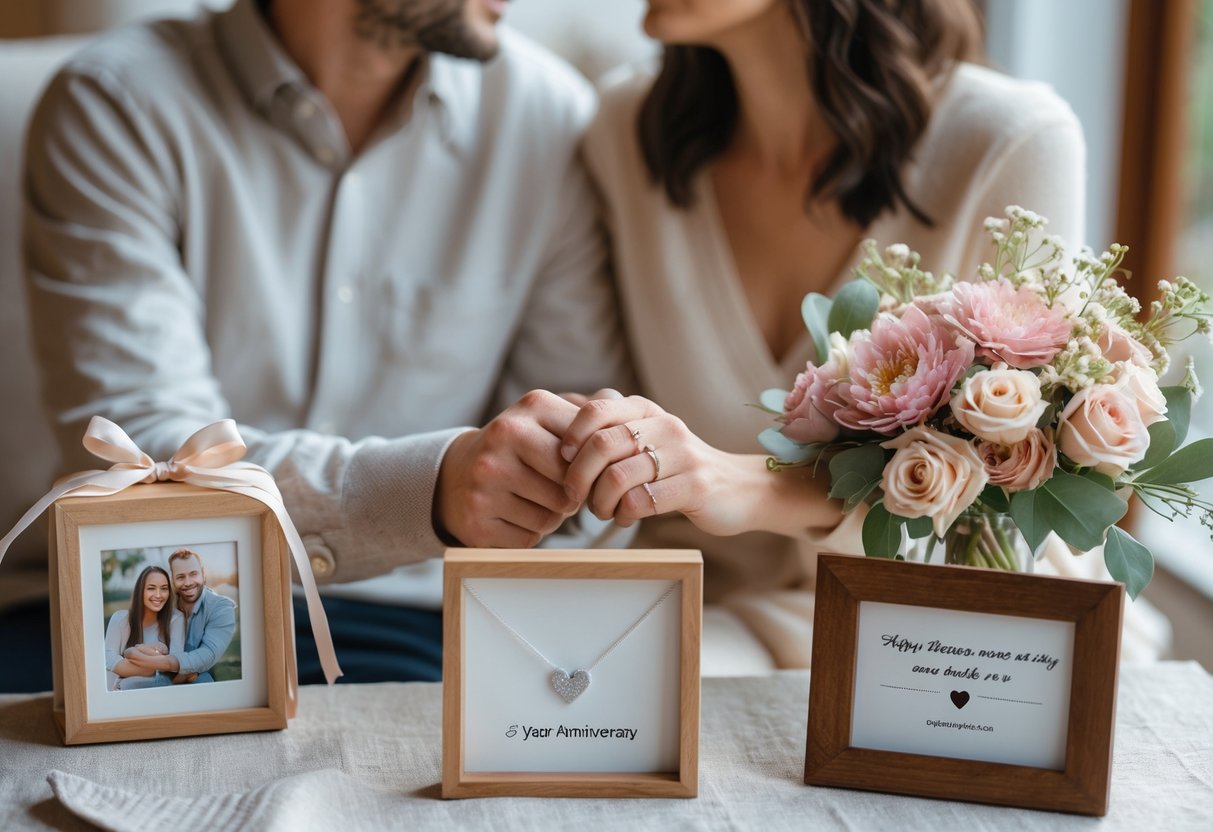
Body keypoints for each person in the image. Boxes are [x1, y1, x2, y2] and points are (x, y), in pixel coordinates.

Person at [22, 0, 630, 688]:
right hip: (143, 614)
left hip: (420, 625)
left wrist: (585, 465)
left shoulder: (549, 122)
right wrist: (431, 491)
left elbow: (578, 475)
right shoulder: (118, 105)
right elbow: (142, 462)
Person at [562, 0, 1163, 670]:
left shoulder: (1009, 139)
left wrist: (752, 489)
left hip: (947, 619)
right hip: (705, 610)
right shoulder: (624, 133)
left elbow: (1014, 498)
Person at [120, 549, 239, 684]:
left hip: (195, 676)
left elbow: (207, 655)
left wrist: (156, 662)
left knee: (204, 683)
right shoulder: (162, 603)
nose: (188, 582)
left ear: (203, 573)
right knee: (129, 685)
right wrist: (137, 653)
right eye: (181, 577)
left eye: (193, 574)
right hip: (156, 673)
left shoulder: (221, 608)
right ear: (172, 579)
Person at [103, 565, 186, 691]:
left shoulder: (176, 619)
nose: (158, 595)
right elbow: (109, 659)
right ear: (140, 591)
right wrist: (152, 668)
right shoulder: (120, 619)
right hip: (117, 693)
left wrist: (137, 652)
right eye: (151, 588)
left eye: (164, 589)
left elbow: (175, 663)